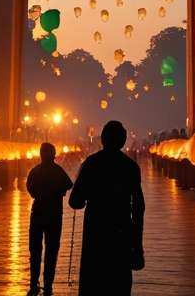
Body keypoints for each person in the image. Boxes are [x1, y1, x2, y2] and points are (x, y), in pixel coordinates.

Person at [68, 121, 145, 296]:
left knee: (93, 283)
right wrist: (138, 246)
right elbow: (139, 208)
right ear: (123, 141)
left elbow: (75, 201)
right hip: (121, 233)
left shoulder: (91, 164)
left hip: (95, 234)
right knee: (119, 285)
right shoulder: (131, 167)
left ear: (102, 140)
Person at [26, 141, 73, 296]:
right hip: (54, 215)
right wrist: (57, 191)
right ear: (54, 155)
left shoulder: (35, 171)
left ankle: (34, 284)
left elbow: (29, 187)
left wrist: (38, 194)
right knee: (51, 250)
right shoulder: (58, 171)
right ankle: (48, 285)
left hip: (37, 214)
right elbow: (69, 184)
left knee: (35, 250)